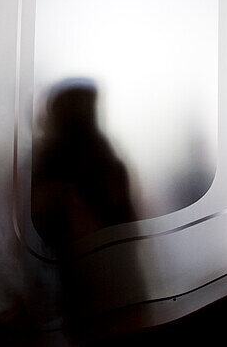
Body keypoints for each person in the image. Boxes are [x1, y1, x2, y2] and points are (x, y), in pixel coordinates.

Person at [31, 79, 137, 337]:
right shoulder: (106, 162)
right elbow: (128, 224)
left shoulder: (52, 165)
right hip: (116, 286)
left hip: (77, 284)